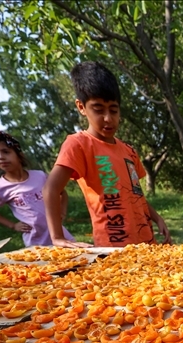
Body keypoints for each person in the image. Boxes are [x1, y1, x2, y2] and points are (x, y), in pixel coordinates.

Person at [44, 61, 172, 248]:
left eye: (114, 110)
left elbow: (137, 195)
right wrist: (57, 237)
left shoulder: (129, 151)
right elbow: (51, 190)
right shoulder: (79, 145)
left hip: (146, 244)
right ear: (81, 107)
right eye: (98, 109)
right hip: (113, 249)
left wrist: (157, 218)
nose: (108, 118)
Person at [0, 131, 72, 247]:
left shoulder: (40, 176)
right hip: (36, 241)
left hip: (61, 235)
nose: (1, 157)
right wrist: (12, 225)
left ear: (19, 155)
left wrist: (62, 211)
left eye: (6, 152)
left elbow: (62, 191)